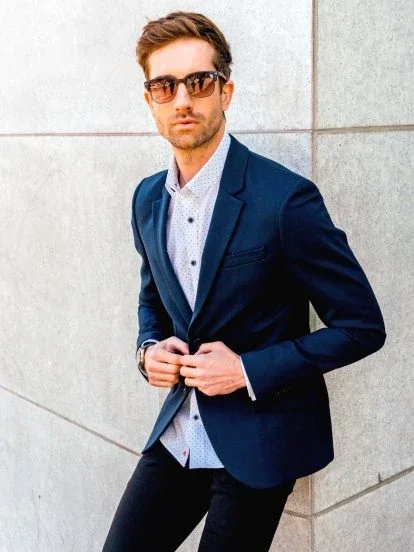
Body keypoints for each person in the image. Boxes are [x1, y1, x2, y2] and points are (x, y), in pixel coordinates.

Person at [103, 11, 386, 552]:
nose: (181, 100)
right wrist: (147, 350)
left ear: (225, 92)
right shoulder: (146, 199)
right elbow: (152, 301)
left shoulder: (284, 200)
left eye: (198, 82)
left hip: (260, 439)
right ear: (149, 100)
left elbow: (362, 327)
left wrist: (245, 370)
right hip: (180, 432)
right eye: (165, 86)